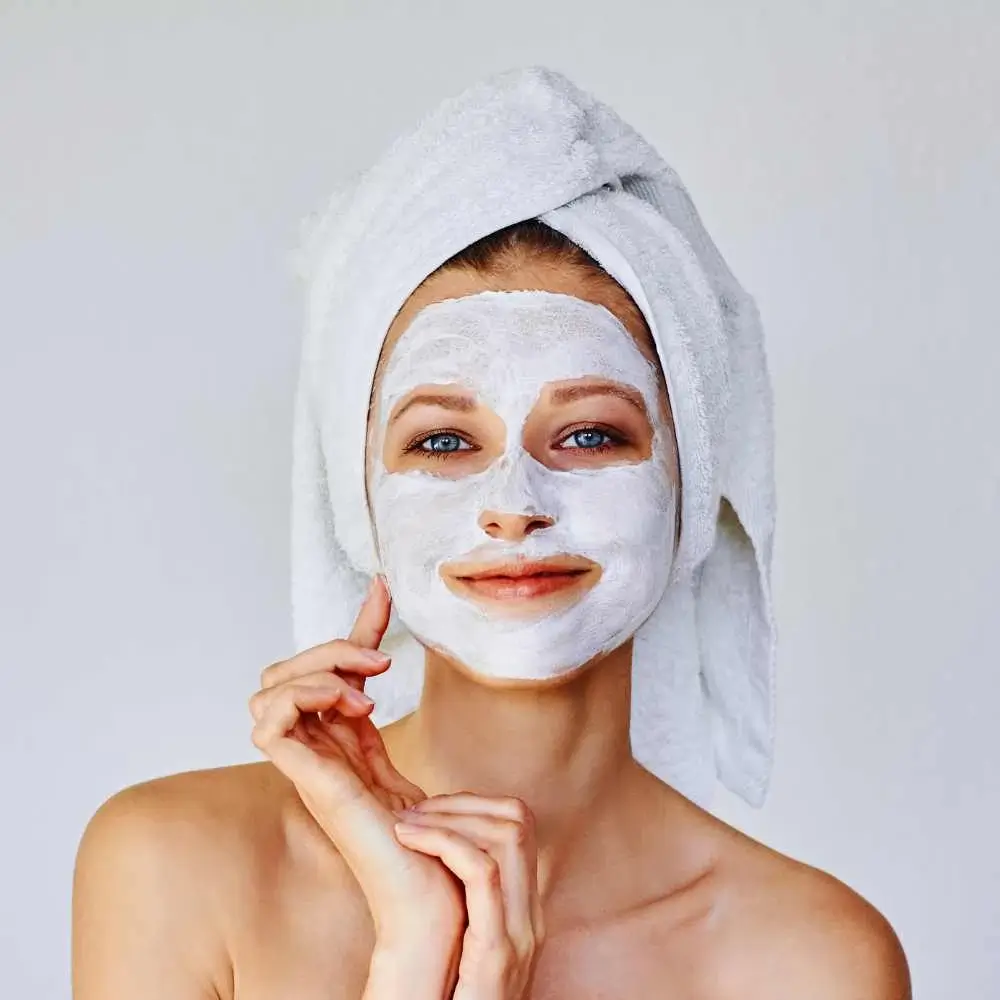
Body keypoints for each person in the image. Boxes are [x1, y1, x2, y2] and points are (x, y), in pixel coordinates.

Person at [72, 218, 912, 1000]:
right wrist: (413, 960)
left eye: (588, 435)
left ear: (686, 485)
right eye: (443, 441)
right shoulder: (175, 866)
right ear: (363, 499)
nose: (513, 505)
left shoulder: (812, 959)